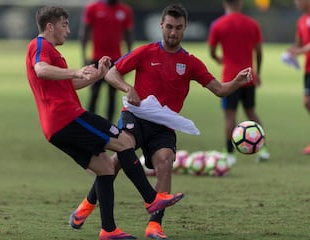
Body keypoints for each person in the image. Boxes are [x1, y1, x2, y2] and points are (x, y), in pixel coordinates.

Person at [69, 4, 253, 239]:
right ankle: (87, 205)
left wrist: (236, 82)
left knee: (166, 161)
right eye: (168, 27)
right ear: (161, 26)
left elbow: (219, 89)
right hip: (135, 114)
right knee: (117, 158)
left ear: (185, 28)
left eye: (177, 28)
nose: (172, 33)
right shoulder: (145, 52)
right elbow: (111, 72)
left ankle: (154, 226)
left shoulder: (191, 62)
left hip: (164, 125)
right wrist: (128, 87)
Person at [25, 6, 184, 240]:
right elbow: (41, 70)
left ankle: (108, 230)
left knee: (105, 168)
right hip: (67, 117)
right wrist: (75, 71)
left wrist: (98, 74)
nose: (68, 31)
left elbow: (69, 85)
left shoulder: (53, 52)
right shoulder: (40, 46)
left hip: (54, 127)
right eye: (65, 25)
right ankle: (152, 199)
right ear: (50, 26)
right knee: (122, 142)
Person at [208, 0, 270, 163]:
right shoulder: (252, 24)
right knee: (251, 111)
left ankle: (229, 153)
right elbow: (259, 52)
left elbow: (212, 51)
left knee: (230, 116)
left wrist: (219, 59)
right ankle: (262, 149)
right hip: (249, 76)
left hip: (230, 78)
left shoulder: (218, 25)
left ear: (224, 3)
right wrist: (258, 73)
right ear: (240, 4)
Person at [80, 0, 134, 122]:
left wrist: (129, 60)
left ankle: (109, 124)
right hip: (96, 59)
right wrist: (84, 56)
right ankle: (90, 123)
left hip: (116, 60)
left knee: (112, 95)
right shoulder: (93, 8)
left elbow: (128, 35)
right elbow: (85, 32)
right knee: (94, 93)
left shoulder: (125, 10)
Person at [287, 0, 310, 154]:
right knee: (307, 103)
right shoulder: (301, 21)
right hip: (308, 69)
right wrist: (292, 51)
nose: (296, 3)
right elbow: (300, 42)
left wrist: (300, 50)